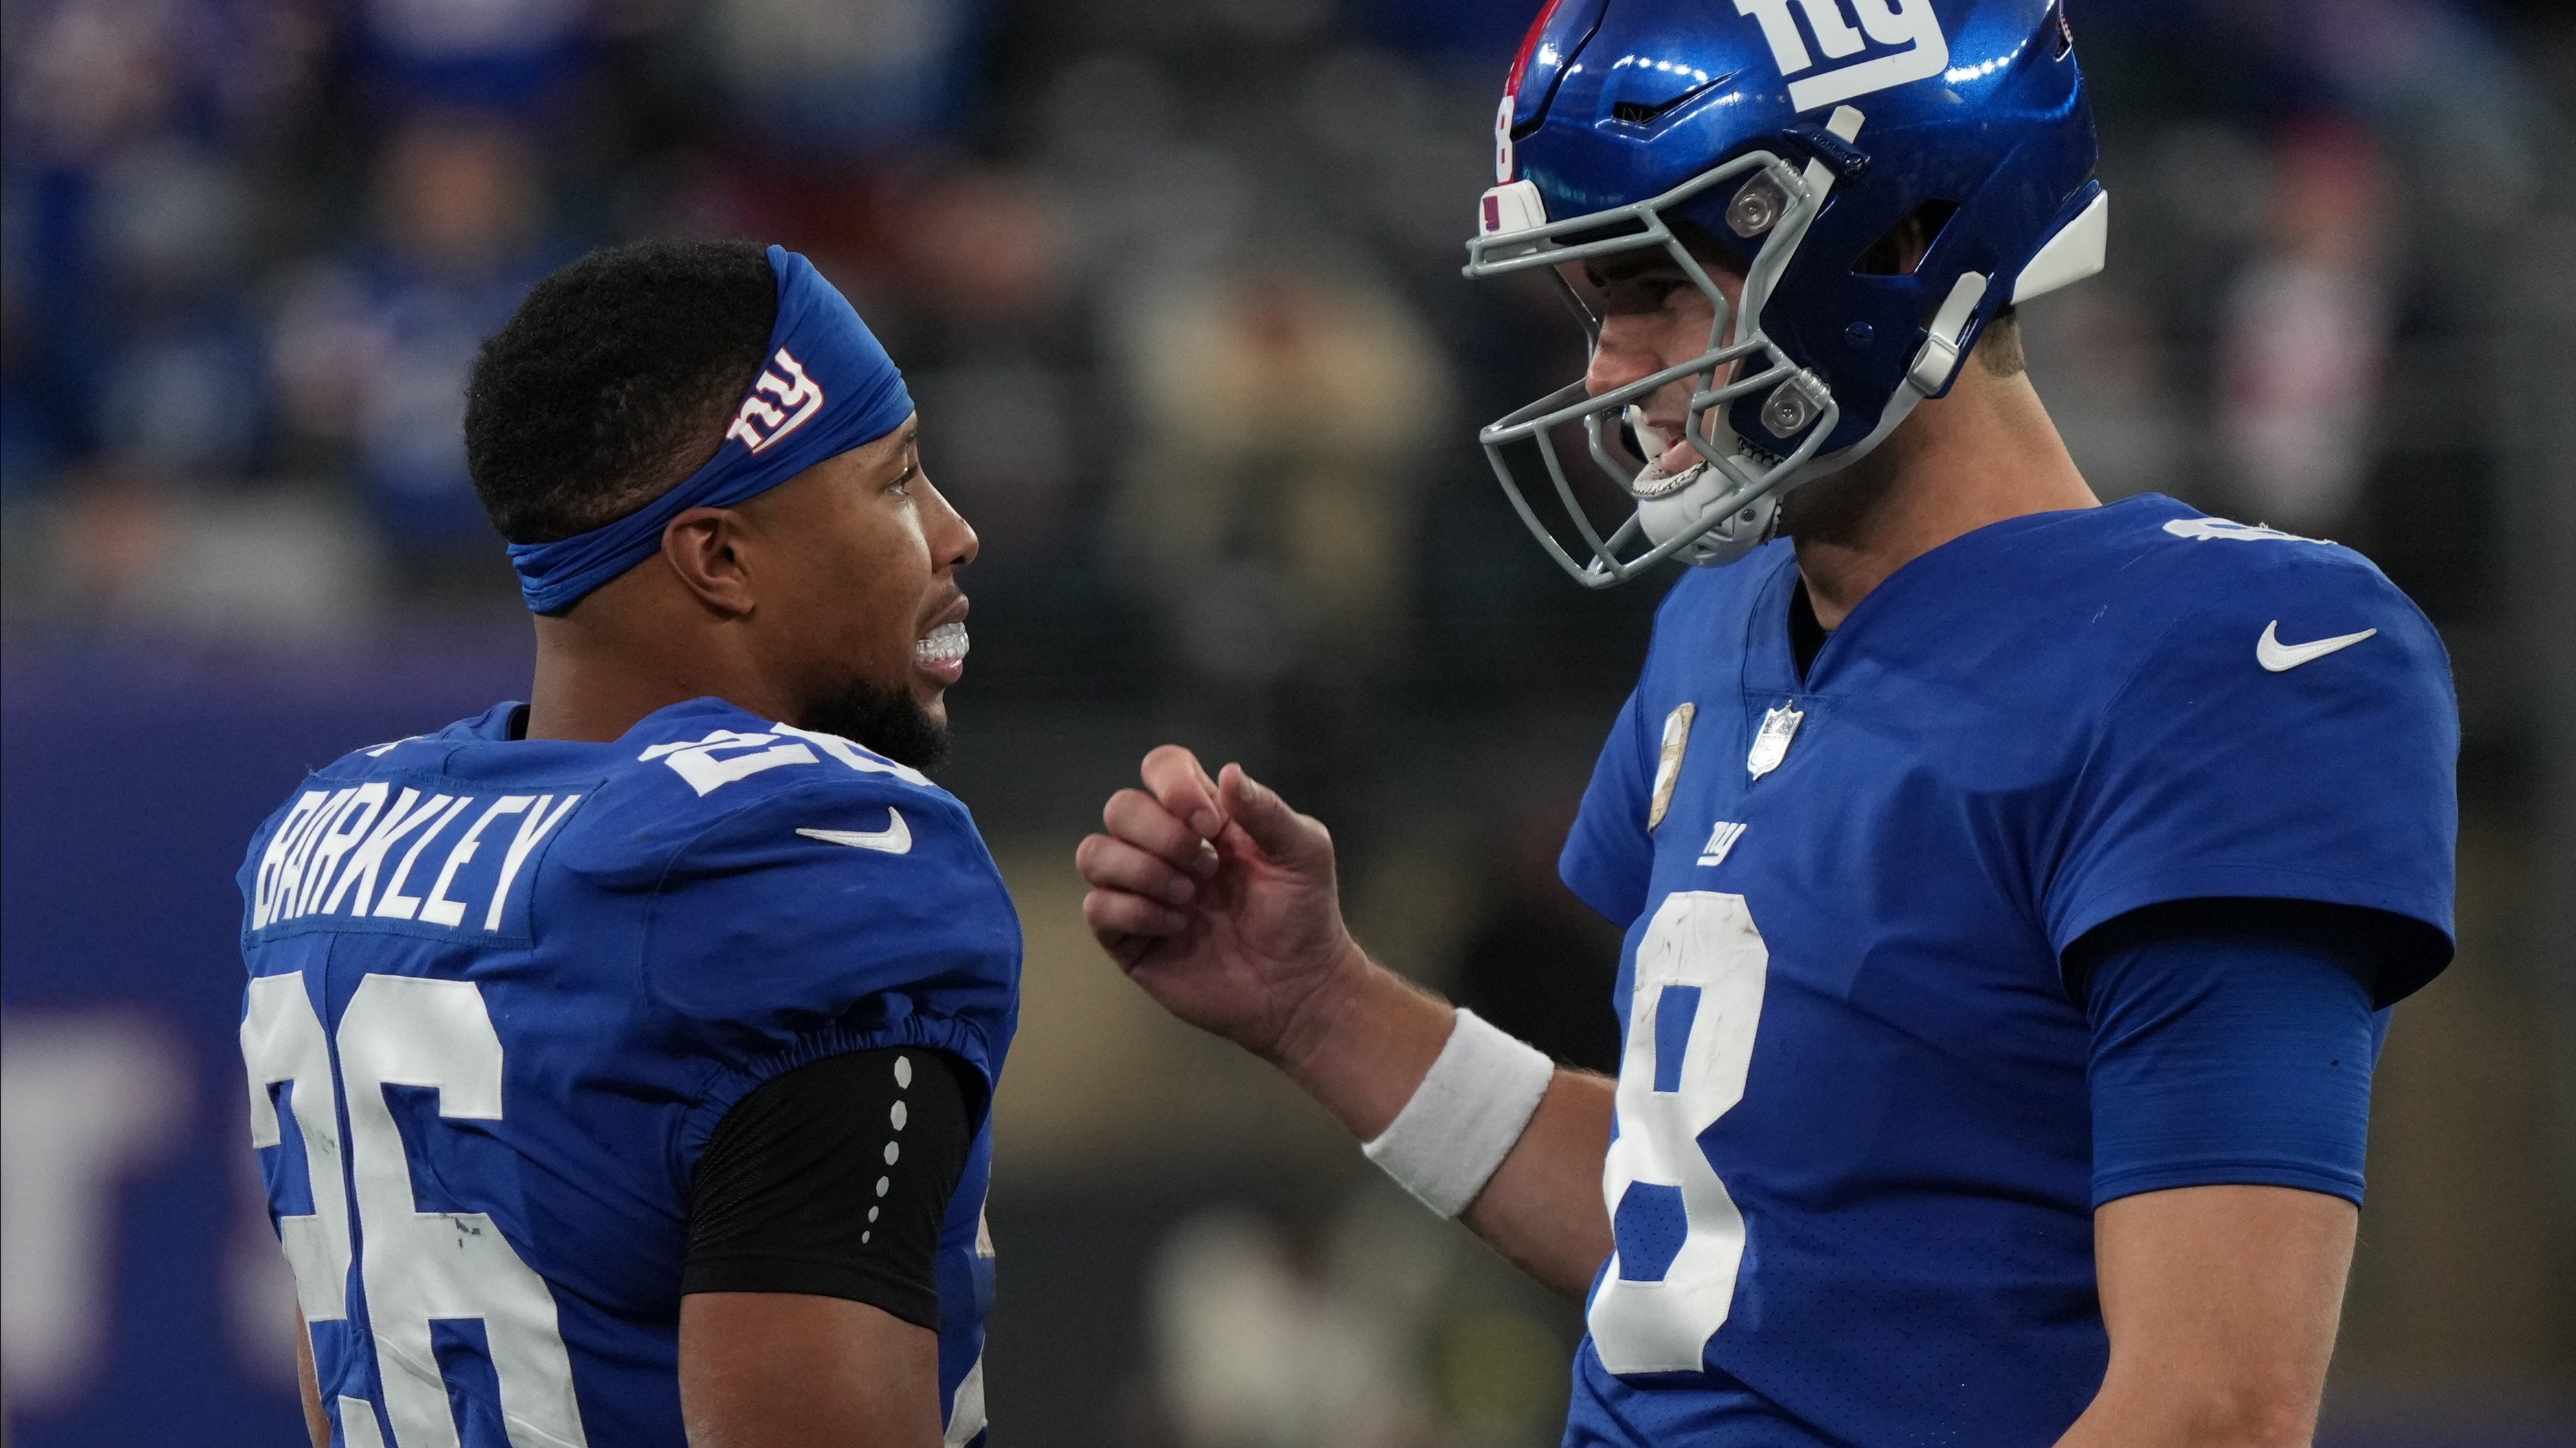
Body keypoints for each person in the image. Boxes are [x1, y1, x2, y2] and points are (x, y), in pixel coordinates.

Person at [1076, 1, 2456, 1444]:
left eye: (1653, 290)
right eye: (1592, 308)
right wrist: (1320, 1004)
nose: (1611, 374)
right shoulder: (1716, 631)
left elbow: (2209, 1410)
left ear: (1901, 241)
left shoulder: (2224, 662)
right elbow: (1713, 1232)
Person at [236, 239, 1008, 1448]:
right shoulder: (788, 862)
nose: (954, 534)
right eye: (897, 480)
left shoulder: (339, 841)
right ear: (719, 558)